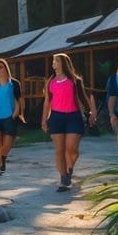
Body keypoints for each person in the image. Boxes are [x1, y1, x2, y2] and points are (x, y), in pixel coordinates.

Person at [41, 52, 97, 192]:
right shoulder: (50, 81)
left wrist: (90, 113)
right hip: (56, 117)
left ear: (63, 63)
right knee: (59, 150)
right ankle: (64, 178)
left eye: (56, 61)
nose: (53, 63)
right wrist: (44, 119)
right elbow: (47, 101)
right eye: (53, 61)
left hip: (73, 116)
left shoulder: (75, 80)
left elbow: (83, 97)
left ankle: (69, 168)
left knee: (72, 150)